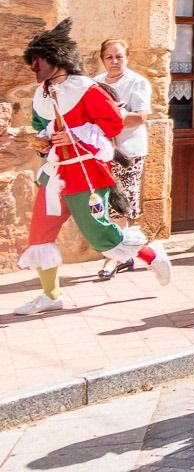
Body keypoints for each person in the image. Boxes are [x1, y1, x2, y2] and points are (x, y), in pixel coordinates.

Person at [15, 20, 171, 315]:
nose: (35, 68)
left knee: (101, 236)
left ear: (57, 58)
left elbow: (112, 123)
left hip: (85, 173)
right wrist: (42, 142)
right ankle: (50, 296)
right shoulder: (41, 94)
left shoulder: (87, 89)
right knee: (39, 235)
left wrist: (75, 135)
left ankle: (152, 254)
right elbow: (40, 127)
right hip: (55, 174)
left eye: (40, 61)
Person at [93, 39, 152, 280]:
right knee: (101, 204)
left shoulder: (137, 82)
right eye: (109, 57)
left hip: (128, 152)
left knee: (121, 204)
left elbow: (140, 117)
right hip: (101, 151)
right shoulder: (94, 84)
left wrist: (113, 116)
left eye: (119, 56)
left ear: (127, 57)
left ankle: (113, 258)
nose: (115, 61)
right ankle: (126, 253)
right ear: (102, 59)